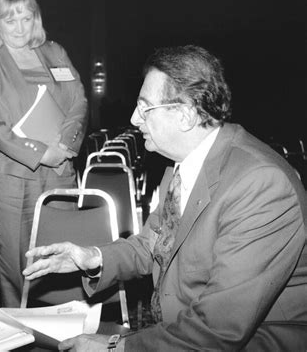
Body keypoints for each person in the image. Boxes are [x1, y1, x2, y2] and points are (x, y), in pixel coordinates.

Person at [23, 45, 307, 351]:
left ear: (185, 115)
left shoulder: (260, 183)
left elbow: (218, 330)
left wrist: (114, 348)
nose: (134, 118)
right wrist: (92, 257)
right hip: (186, 331)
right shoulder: (182, 165)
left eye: (145, 108)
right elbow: (153, 245)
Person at [0, 0, 88, 307]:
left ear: (36, 19)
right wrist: (40, 152)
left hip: (60, 167)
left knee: (60, 252)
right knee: (16, 265)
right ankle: (18, 332)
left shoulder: (55, 52)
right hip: (9, 173)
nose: (20, 28)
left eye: (27, 18)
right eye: (10, 20)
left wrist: (65, 144)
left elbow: (79, 102)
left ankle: (64, 324)